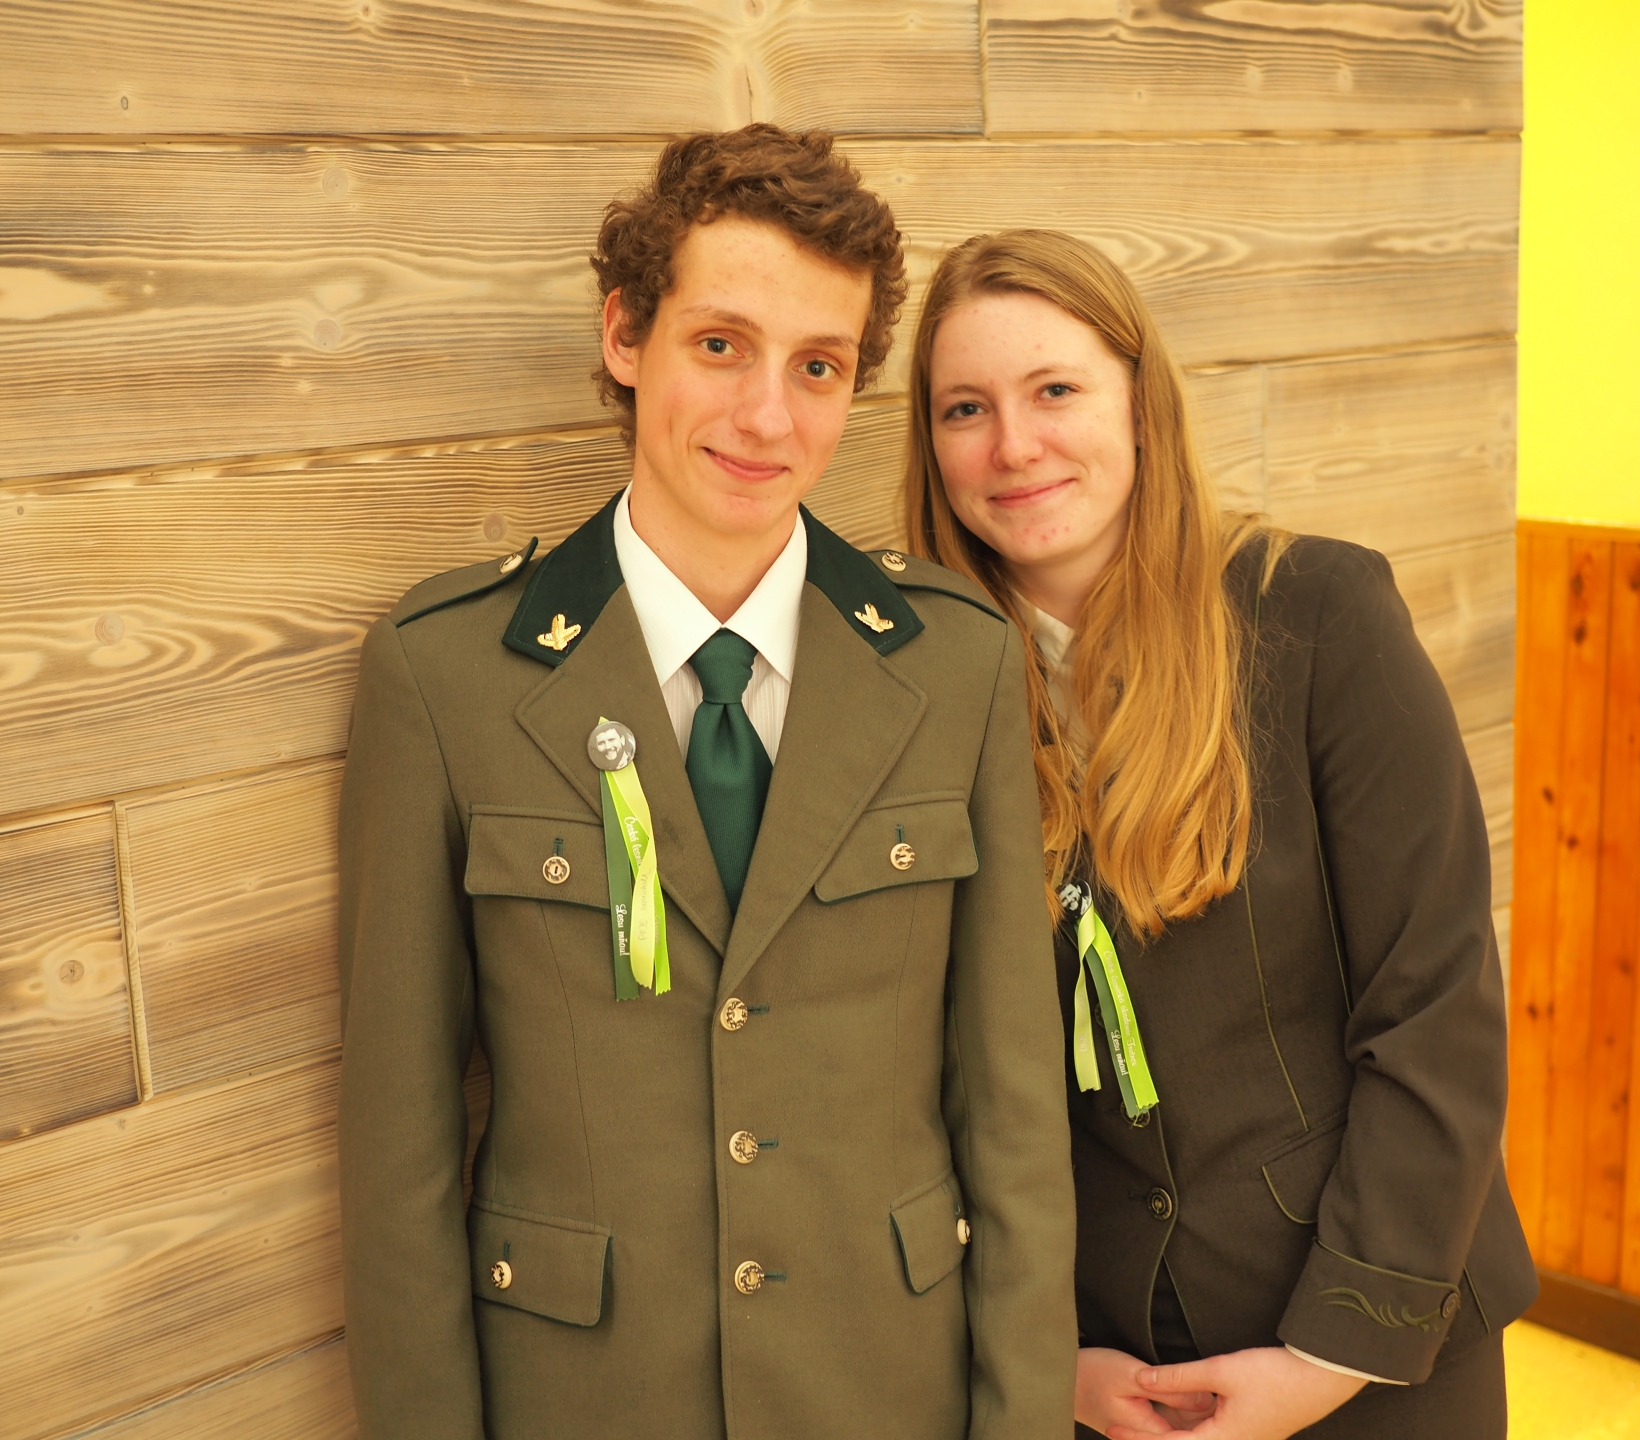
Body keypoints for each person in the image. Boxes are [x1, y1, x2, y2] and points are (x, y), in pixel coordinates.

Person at [335, 129, 1077, 1440]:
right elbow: (400, 1157)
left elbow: (1014, 1119)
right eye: (722, 344)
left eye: (818, 366)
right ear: (627, 334)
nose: (767, 418)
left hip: (883, 1390)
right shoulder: (446, 675)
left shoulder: (955, 661)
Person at [902, 229, 1537, 1439]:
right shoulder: (919, 690)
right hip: (1102, 1372)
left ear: (1141, 405)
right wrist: (1046, 1355)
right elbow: (918, 1075)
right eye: (964, 409)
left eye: (1055, 390)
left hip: (1370, 1341)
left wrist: (1327, 1356)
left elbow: (1434, 1011)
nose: (1012, 445)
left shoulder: (1321, 618)